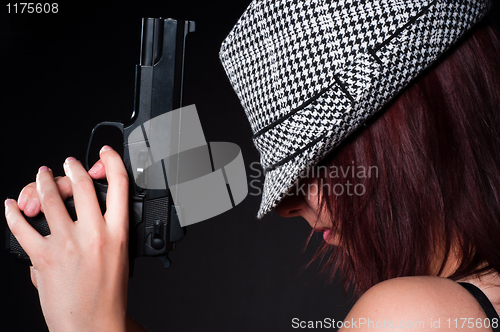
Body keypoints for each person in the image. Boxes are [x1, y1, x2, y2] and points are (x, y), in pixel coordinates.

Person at [4, 1, 500, 331]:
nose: (284, 204)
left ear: (416, 129)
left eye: (317, 157)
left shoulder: (412, 317)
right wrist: (91, 304)